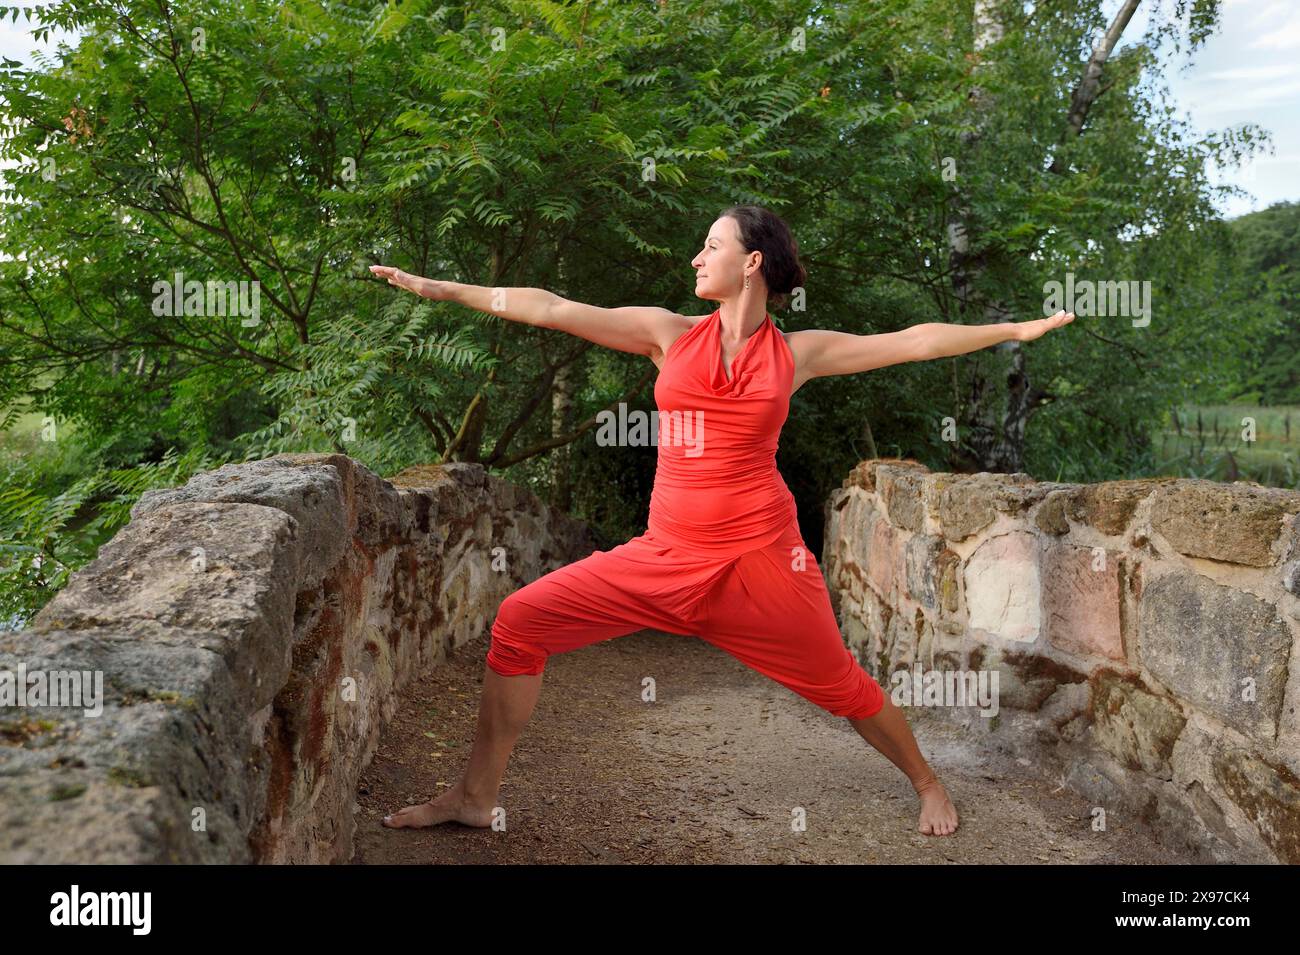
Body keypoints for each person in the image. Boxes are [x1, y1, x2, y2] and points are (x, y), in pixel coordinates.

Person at [369, 204, 1073, 839]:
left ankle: (926, 780)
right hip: (663, 555)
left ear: (752, 262)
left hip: (764, 563)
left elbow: (915, 340)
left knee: (843, 687)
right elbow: (552, 306)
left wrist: (1014, 329)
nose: (697, 259)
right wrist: (442, 289)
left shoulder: (798, 354)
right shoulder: (666, 334)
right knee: (520, 621)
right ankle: (474, 793)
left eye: (712, 246)